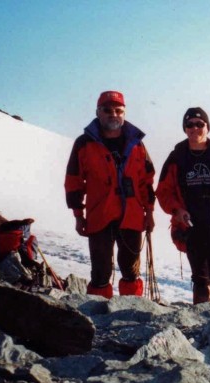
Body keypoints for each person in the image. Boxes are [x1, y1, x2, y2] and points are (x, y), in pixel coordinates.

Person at [64, 90, 155, 298]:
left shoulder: (137, 144)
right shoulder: (84, 143)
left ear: (124, 113)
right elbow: (74, 181)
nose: (113, 114)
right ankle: (98, 316)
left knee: (130, 269)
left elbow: (146, 181)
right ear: (98, 112)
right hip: (99, 215)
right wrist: (78, 215)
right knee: (100, 270)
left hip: (131, 216)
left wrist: (149, 213)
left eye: (118, 110)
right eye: (107, 110)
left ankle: (131, 310)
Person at [156, 107, 210, 308]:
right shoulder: (176, 157)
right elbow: (163, 191)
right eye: (190, 124)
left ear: (207, 127)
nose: (195, 128)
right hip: (190, 224)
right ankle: (203, 319)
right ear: (185, 129)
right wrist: (177, 210)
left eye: (199, 124)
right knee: (199, 274)